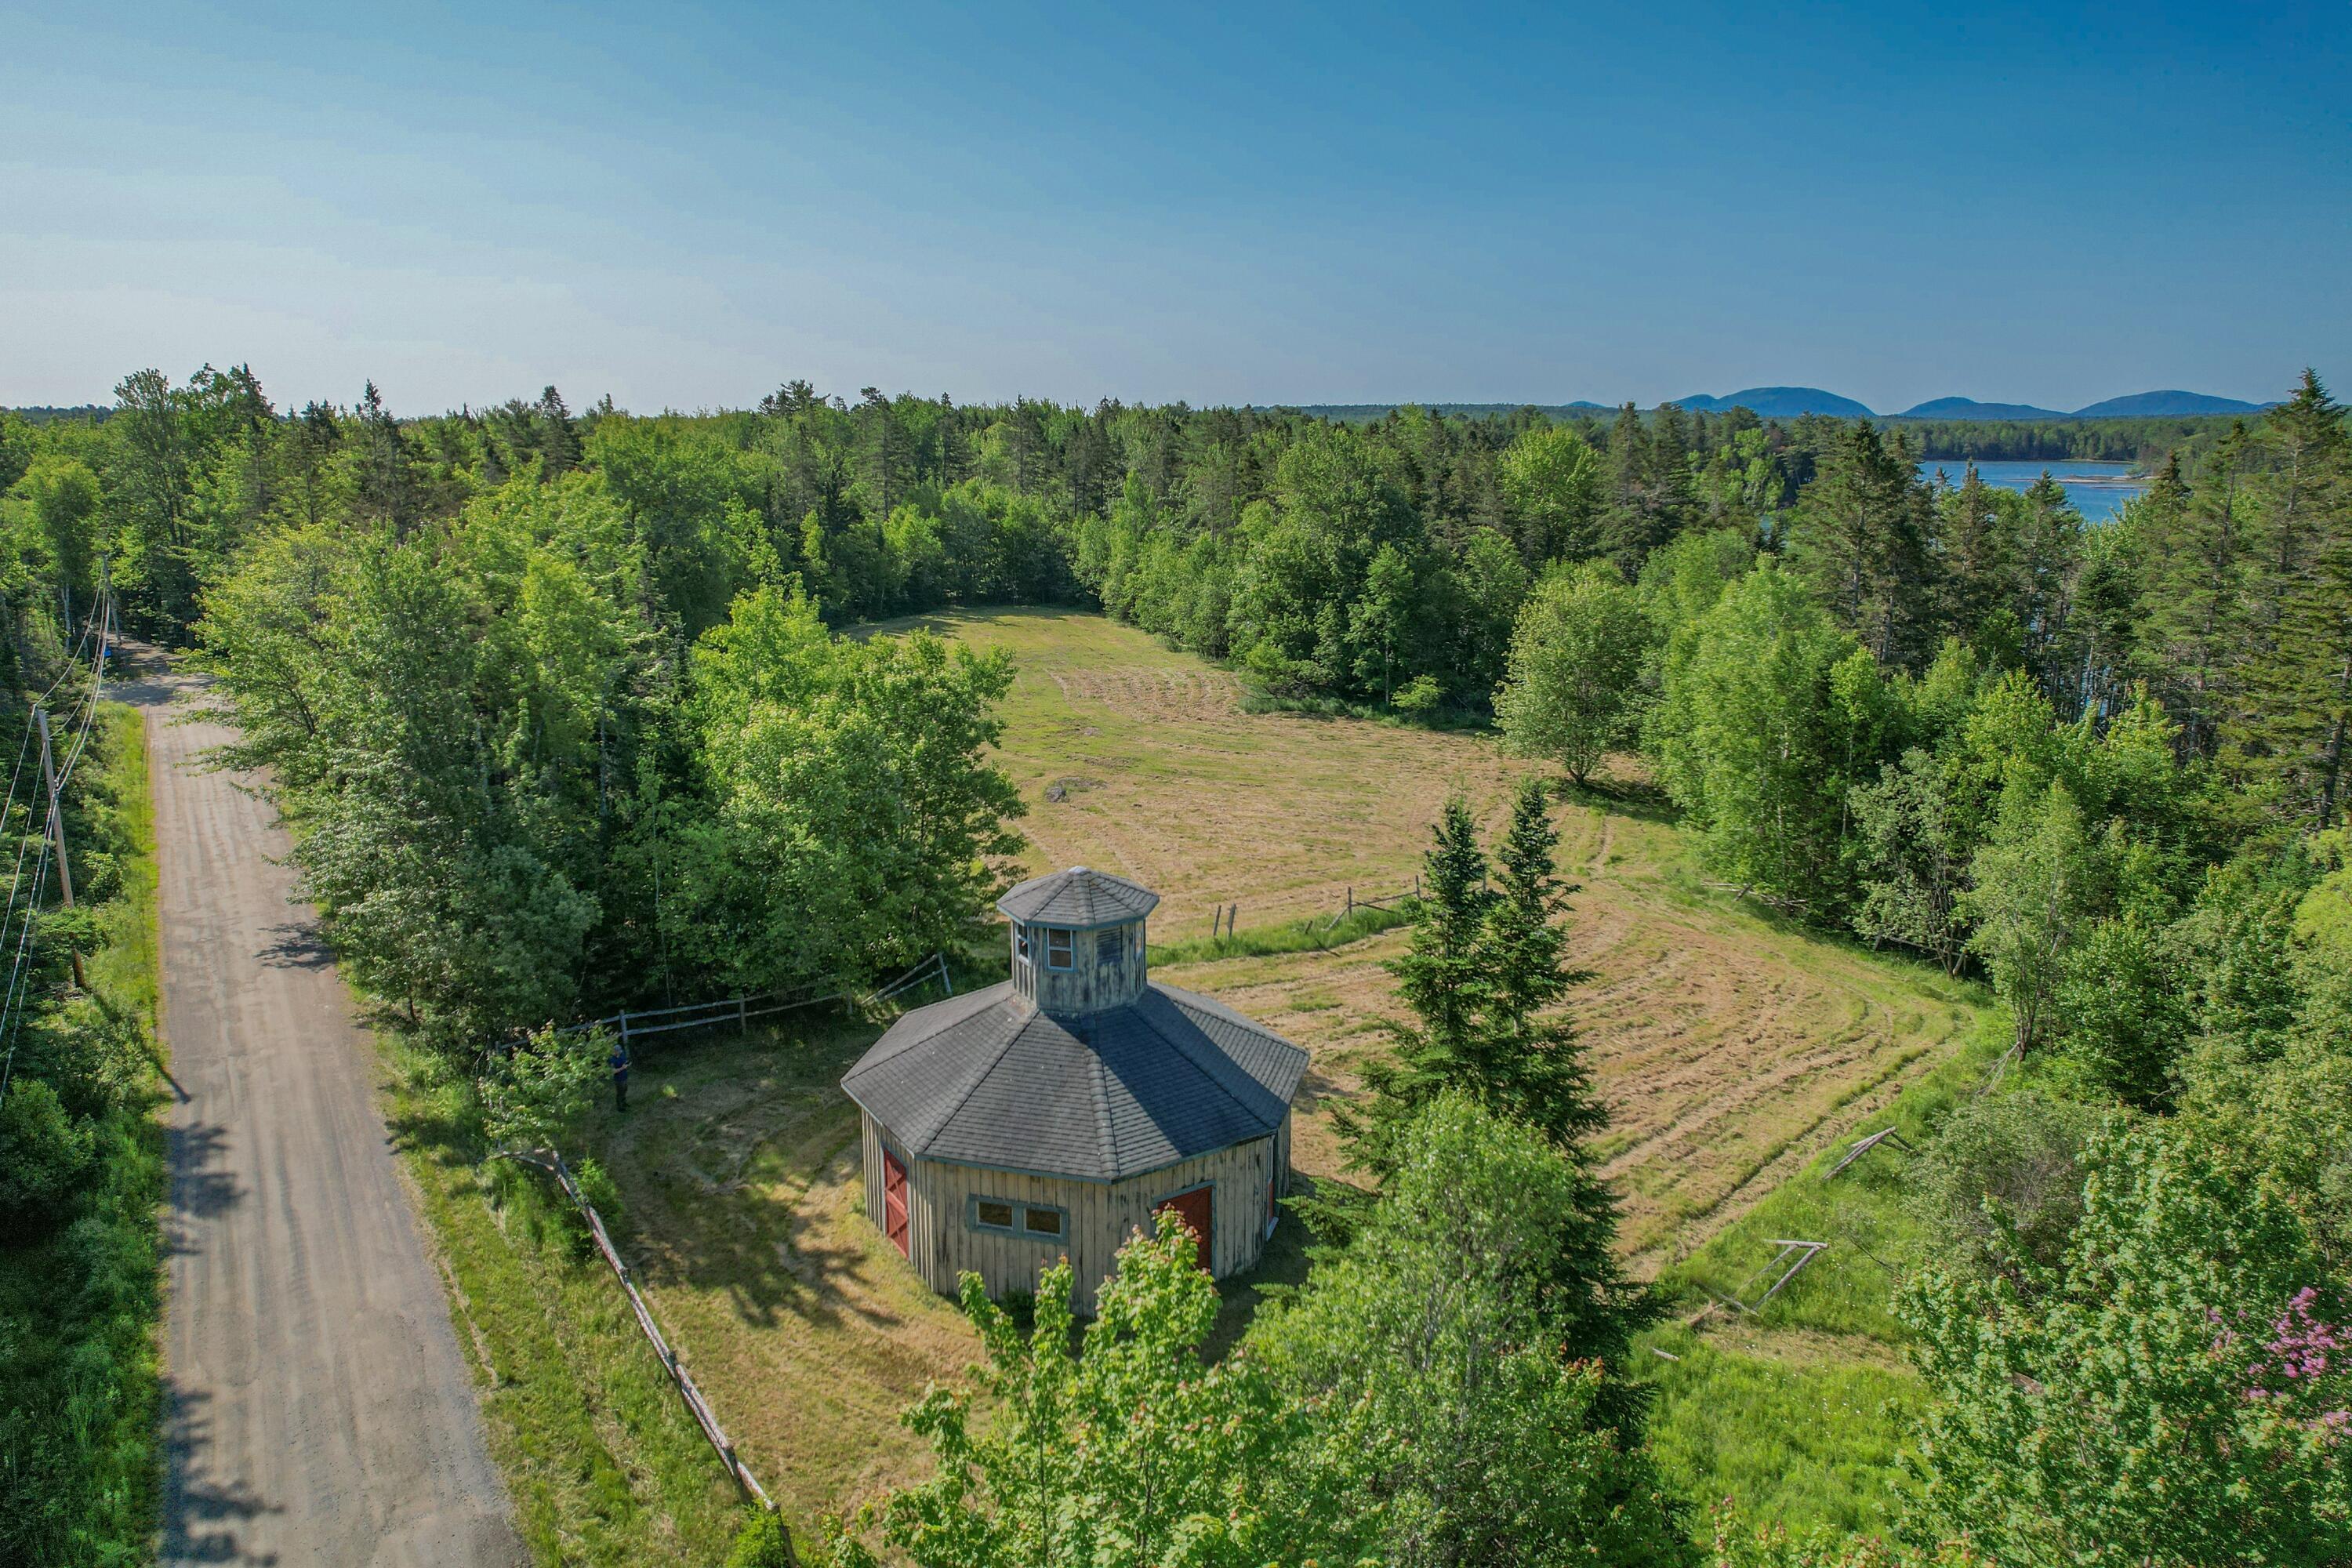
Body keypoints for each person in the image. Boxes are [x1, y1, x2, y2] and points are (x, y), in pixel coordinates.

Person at [609, 1041, 630, 1113]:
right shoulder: (612, 1059)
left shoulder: (622, 1054)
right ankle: (620, 1106)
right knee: (620, 1092)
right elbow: (613, 1071)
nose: (620, 1052)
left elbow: (625, 1061)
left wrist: (627, 1064)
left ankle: (624, 1102)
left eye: (620, 1050)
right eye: (618, 1051)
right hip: (618, 1079)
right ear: (615, 1052)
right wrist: (622, 1068)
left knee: (625, 1089)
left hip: (624, 1076)